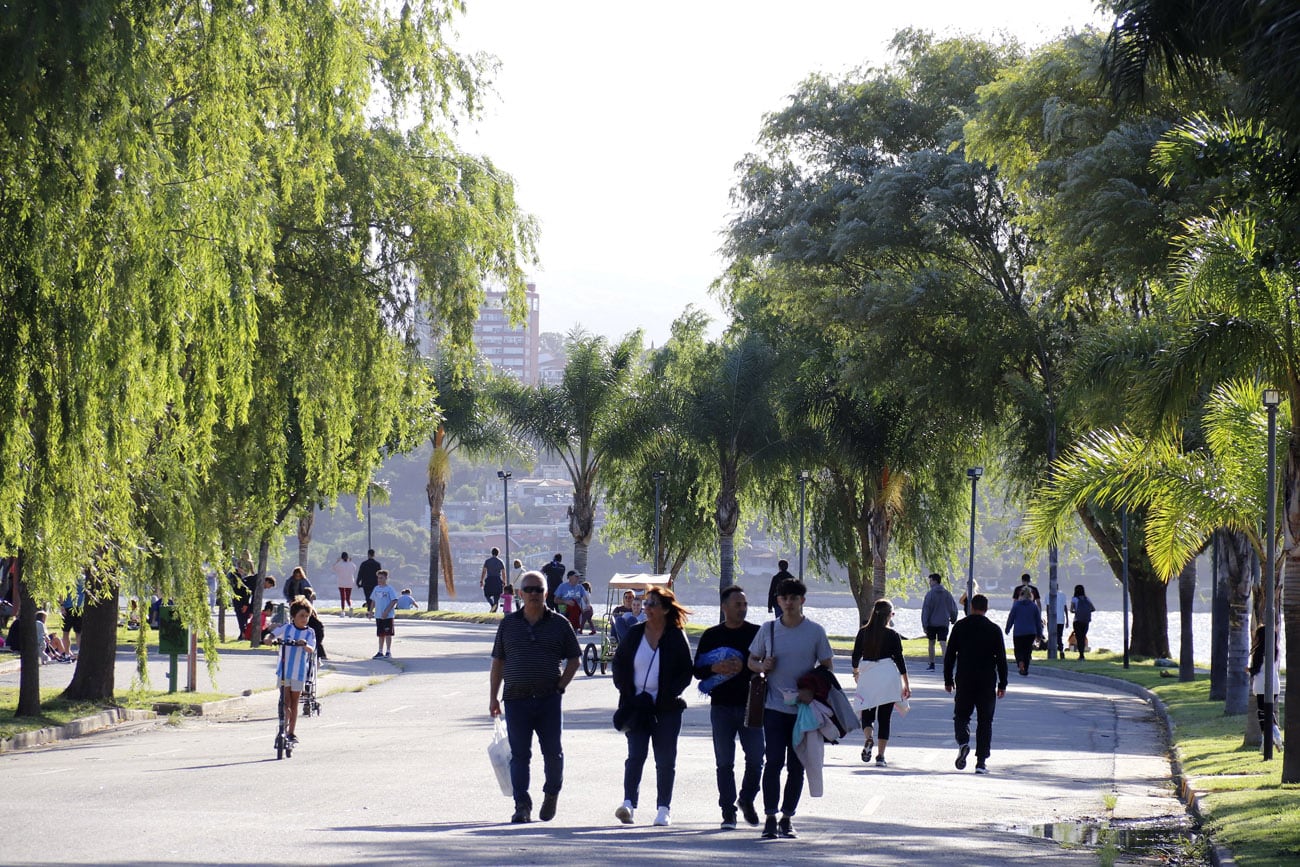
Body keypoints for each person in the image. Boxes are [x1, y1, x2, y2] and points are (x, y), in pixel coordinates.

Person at [489, 570, 581, 824]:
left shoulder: (560, 623)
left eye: (538, 590)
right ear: (520, 594)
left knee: (553, 752)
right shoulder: (509, 624)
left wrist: (560, 687)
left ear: (546, 593)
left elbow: (574, 659)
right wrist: (493, 698)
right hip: (515, 699)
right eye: (528, 589)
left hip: (548, 700)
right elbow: (498, 662)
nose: (534, 594)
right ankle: (522, 805)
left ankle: (552, 793)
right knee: (520, 755)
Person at [748, 577, 833, 839]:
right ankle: (770, 818)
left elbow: (827, 667)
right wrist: (761, 666)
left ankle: (787, 817)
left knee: (797, 766)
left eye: (794, 598)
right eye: (784, 598)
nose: (789, 603)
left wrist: (812, 689)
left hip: (803, 713)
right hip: (774, 708)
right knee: (773, 762)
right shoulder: (769, 629)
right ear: (778, 601)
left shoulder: (815, 631)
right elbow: (751, 659)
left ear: (802, 601)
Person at [612, 585, 693, 827]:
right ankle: (628, 804)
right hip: (637, 706)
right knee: (635, 756)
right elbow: (619, 663)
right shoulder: (635, 633)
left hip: (667, 709)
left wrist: (668, 695)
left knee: (665, 760)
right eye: (645, 604)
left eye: (652, 604)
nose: (646, 608)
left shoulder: (676, 635)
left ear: (666, 609)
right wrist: (625, 690)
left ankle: (663, 809)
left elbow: (686, 672)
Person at [692, 585, 763, 830]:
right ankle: (727, 812)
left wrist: (760, 666)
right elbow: (697, 671)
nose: (742, 609)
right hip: (721, 707)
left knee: (756, 759)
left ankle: (746, 799)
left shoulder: (757, 632)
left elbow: (767, 663)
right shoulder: (711, 635)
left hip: (751, 707)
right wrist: (715, 668)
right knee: (724, 763)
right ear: (724, 607)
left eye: (744, 604)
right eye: (737, 604)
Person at [944, 594, 1008, 775]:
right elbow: (1001, 659)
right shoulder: (994, 630)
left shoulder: (960, 627)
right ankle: (981, 762)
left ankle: (963, 742)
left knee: (961, 715)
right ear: (986, 609)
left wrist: (948, 679)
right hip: (987, 681)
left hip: (964, 678)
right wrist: (1003, 683)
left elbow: (950, 656)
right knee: (985, 721)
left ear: (971, 607)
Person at [852, 599, 911, 767]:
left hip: (868, 676)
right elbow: (900, 661)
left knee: (867, 713)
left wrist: (856, 673)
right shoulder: (893, 635)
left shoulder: (863, 632)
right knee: (885, 718)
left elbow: (855, 656)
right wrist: (906, 683)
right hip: (888, 677)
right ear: (889, 615)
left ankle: (869, 737)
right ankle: (880, 756)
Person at [271, 598, 317, 746]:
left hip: (299, 672)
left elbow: (311, 648)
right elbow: (273, 635)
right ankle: (282, 728)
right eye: (301, 616)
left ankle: (291, 732)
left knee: (294, 703)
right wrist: (268, 638)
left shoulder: (310, 632)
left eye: (306, 616)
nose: (304, 619)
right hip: (284, 671)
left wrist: (304, 645)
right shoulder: (287, 628)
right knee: (285, 702)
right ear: (293, 616)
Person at [1248, 624, 1284, 752]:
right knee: (1269, 711)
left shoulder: (1259, 651)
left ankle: (1272, 738)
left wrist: (1248, 670)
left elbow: (1256, 669)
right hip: (1274, 684)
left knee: (1262, 713)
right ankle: (1271, 739)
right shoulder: (1275, 650)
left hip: (1262, 684)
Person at [920, 572, 959, 671]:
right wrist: (953, 618)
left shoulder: (930, 594)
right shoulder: (947, 594)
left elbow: (926, 610)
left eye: (930, 580)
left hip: (932, 623)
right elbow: (953, 608)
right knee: (943, 643)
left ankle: (932, 664)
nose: (929, 583)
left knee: (931, 643)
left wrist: (925, 624)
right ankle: (946, 665)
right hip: (943, 622)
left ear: (935, 581)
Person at [1005, 589, 1042, 676]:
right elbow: (1038, 621)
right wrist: (1039, 635)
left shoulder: (1016, 605)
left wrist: (1008, 628)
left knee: (1018, 650)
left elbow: (1011, 617)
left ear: (1020, 595)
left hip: (1018, 632)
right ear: (1030, 595)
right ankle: (1025, 669)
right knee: (1028, 651)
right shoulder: (1034, 606)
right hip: (1030, 632)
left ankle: (1020, 663)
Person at [370, 570, 399, 659]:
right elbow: (373, 600)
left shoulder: (389, 589)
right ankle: (380, 651)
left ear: (386, 578)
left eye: (381, 578)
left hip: (388, 616)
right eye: (378, 578)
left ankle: (388, 651)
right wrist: (370, 611)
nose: (379, 580)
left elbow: (394, 600)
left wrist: (387, 611)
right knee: (380, 634)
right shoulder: (376, 589)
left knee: (388, 634)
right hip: (378, 615)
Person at [555, 570, 589, 634]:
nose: (578, 578)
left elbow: (585, 598)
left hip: (576, 613)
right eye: (576, 576)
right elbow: (556, 600)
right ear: (570, 577)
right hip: (564, 613)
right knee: (564, 631)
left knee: (574, 631)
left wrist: (587, 605)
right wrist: (566, 602)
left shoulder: (580, 587)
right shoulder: (562, 586)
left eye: (579, 577)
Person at [1069, 585, 1095, 660]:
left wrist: (1077, 611)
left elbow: (1071, 610)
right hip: (1086, 621)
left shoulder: (1074, 599)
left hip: (1077, 621)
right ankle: (1082, 654)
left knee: (1079, 637)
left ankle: (1081, 655)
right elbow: (1093, 609)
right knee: (1083, 637)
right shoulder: (1087, 599)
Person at [356, 549, 381, 618]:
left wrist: (358, 582)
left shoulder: (364, 564)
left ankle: (369, 610)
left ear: (368, 554)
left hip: (366, 583)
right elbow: (380, 574)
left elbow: (360, 574)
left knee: (368, 597)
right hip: (375, 583)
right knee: (374, 597)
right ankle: (372, 610)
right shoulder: (377, 564)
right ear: (374, 554)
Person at [481, 547, 507, 612]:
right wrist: (504, 581)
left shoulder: (487, 561)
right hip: (497, 579)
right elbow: (503, 573)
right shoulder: (500, 561)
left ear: (491, 553)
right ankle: (494, 607)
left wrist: (482, 580)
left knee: (487, 594)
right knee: (497, 596)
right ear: (498, 553)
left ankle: (492, 605)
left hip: (489, 579)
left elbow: (484, 571)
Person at [332, 552, 358, 616]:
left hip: (341, 582)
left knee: (342, 597)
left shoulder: (339, 564)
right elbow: (355, 568)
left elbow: (334, 568)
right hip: (350, 582)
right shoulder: (351, 564)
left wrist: (337, 561)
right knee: (348, 597)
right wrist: (350, 561)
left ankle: (343, 611)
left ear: (342, 557)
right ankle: (350, 606)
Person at [1050, 586, 1068, 656]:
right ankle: (1060, 649)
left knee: (1053, 635)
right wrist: (1067, 619)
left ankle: (1055, 649)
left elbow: (1048, 608)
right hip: (1061, 620)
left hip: (1053, 620)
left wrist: (1048, 619)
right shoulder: (1063, 595)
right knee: (1059, 636)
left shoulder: (1049, 595)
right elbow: (1065, 608)